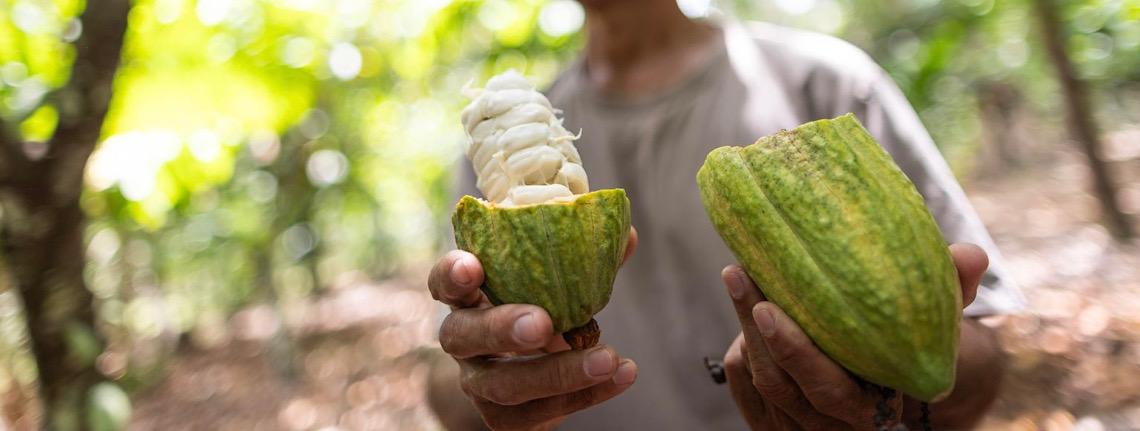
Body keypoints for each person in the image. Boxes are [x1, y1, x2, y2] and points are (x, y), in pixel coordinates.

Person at [425, 0, 1026, 429]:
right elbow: (448, 383)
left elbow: (975, 356)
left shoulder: (825, 84)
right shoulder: (488, 157)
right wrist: (490, 383)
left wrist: (885, 396)